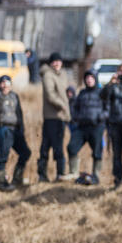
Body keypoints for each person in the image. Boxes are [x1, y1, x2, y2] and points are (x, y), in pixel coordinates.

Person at [0, 75, 28, 190]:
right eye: (3, 83)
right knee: (3, 154)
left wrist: (22, 128)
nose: (5, 85)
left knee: (25, 153)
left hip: (15, 129)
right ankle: (1, 182)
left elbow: (19, 113)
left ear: (11, 84)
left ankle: (17, 178)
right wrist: (3, 96)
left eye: (7, 83)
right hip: (3, 128)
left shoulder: (14, 96)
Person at [38, 52, 70, 182]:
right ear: (51, 63)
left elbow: (63, 92)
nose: (57, 63)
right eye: (54, 61)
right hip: (53, 116)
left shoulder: (62, 74)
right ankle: (49, 174)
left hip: (61, 116)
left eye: (59, 61)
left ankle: (58, 174)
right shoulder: (48, 75)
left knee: (56, 145)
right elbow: (51, 95)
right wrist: (62, 105)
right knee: (51, 146)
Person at [69, 70, 106, 184]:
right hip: (82, 126)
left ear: (95, 79)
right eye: (87, 78)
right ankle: (74, 173)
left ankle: (96, 175)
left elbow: (108, 108)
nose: (89, 80)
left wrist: (101, 117)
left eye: (91, 78)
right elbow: (74, 108)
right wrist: (76, 117)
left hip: (96, 126)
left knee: (97, 151)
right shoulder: (82, 93)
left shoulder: (102, 93)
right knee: (72, 147)